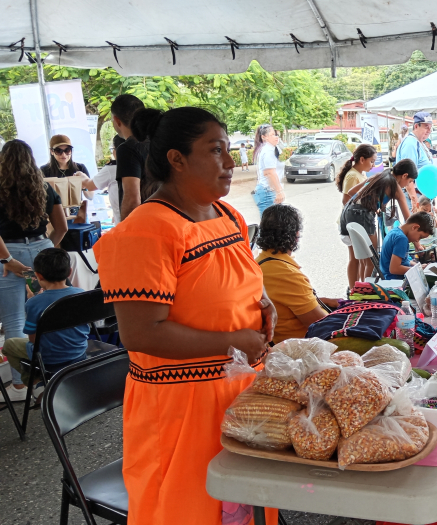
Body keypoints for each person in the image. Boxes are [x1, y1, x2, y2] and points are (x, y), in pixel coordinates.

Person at [93, 106, 279, 524]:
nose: (231, 163)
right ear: (176, 159)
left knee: (243, 510)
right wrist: (237, 341)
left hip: (237, 394)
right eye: (216, 151)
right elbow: (142, 333)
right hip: (181, 410)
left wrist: (260, 301)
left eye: (229, 150)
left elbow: (232, 279)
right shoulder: (147, 230)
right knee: (187, 510)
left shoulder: (227, 216)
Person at [0, 140, 68, 369]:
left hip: (9, 253)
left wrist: (7, 260)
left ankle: (20, 384)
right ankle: (56, 369)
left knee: (14, 317)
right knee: (51, 310)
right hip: (42, 248)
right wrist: (47, 251)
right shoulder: (44, 187)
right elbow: (62, 227)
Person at [3, 248, 89, 401]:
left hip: (50, 359)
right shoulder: (81, 293)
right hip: (79, 353)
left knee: (9, 345)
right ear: (69, 272)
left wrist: (32, 300)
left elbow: (32, 341)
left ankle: (37, 381)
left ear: (38, 275)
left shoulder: (35, 303)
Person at [256, 204, 340, 344]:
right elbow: (319, 326)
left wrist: (320, 300)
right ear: (296, 235)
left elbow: (289, 301)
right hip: (302, 348)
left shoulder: (261, 262)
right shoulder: (286, 273)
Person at [340, 160, 418, 289]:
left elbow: (352, 192)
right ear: (404, 175)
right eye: (409, 181)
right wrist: (417, 243)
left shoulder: (381, 175)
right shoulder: (395, 186)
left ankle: (357, 290)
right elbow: (408, 219)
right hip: (362, 215)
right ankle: (365, 293)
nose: (408, 185)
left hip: (348, 212)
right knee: (372, 261)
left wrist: (373, 203)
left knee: (363, 259)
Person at [337, 144, 378, 287]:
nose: (373, 165)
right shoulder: (353, 175)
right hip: (351, 222)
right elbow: (346, 199)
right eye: (372, 161)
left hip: (355, 222)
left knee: (361, 259)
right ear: (362, 159)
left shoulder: (360, 174)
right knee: (355, 258)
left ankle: (359, 287)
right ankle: (353, 289)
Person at [111, 94, 150, 221]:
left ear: (117, 120)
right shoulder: (158, 141)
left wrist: (125, 232)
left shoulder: (128, 149)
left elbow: (132, 198)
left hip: (145, 223)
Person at [82, 135, 125, 223]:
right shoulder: (142, 165)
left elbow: (90, 186)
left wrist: (81, 176)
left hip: (123, 221)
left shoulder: (111, 169)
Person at [379, 212, 435, 280]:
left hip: (389, 276)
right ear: (415, 227)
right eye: (420, 237)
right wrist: (418, 270)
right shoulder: (401, 239)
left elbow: (403, 260)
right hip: (395, 279)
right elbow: (394, 269)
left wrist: (418, 266)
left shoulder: (395, 231)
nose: (417, 240)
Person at [396, 112, 434, 209]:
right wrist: (414, 199)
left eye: (430, 127)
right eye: (426, 127)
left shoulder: (420, 143)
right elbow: (407, 174)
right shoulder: (410, 143)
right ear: (416, 126)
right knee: (415, 223)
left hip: (423, 195)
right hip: (415, 195)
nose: (429, 130)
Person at [252, 124, 285, 216]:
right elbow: (269, 172)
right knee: (270, 226)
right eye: (273, 135)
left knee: (273, 225)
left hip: (267, 191)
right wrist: (279, 191)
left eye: (276, 134)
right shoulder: (268, 151)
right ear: (264, 137)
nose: (276, 137)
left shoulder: (270, 149)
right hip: (267, 192)